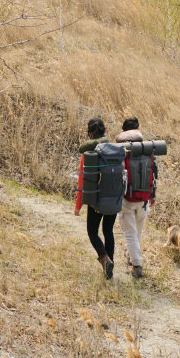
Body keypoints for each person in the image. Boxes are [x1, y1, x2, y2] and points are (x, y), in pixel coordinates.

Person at [75, 115, 115, 279]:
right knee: (108, 231)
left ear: (89, 133)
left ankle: (105, 261)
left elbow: (82, 180)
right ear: (105, 131)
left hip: (97, 200)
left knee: (92, 232)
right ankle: (109, 269)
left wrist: (78, 205)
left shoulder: (89, 153)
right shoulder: (114, 149)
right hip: (114, 197)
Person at [115, 116, 152, 279]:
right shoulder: (147, 149)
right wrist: (153, 195)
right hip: (144, 198)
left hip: (126, 199)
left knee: (130, 233)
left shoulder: (121, 149)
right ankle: (132, 257)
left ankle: (136, 265)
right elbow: (155, 172)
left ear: (123, 131)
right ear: (138, 129)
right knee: (138, 231)